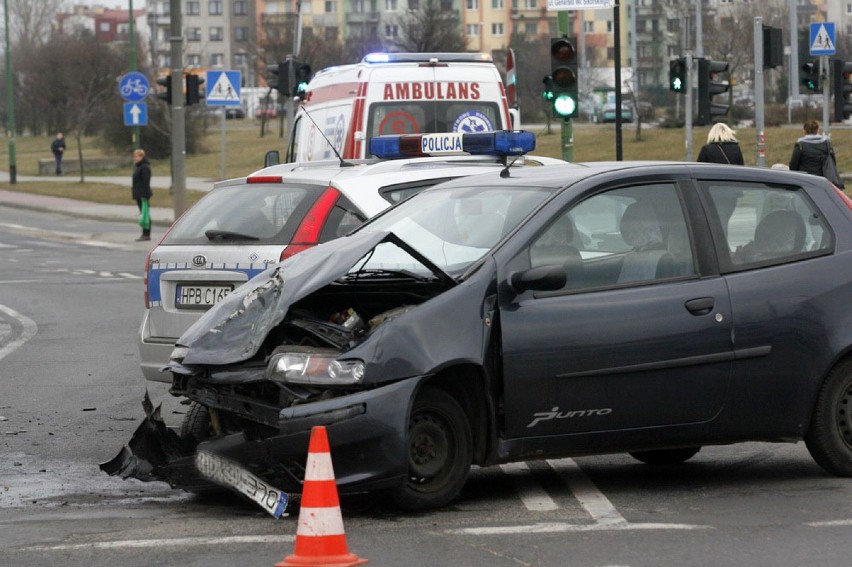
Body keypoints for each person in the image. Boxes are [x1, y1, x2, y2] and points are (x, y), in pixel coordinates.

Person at [132, 149, 153, 241]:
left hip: (143, 194)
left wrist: (143, 194)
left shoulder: (144, 167)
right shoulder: (139, 167)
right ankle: (145, 233)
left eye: (137, 156)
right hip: (139, 194)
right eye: (134, 156)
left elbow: (145, 182)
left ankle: (146, 233)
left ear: (142, 157)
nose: (135, 158)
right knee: (143, 213)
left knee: (145, 214)